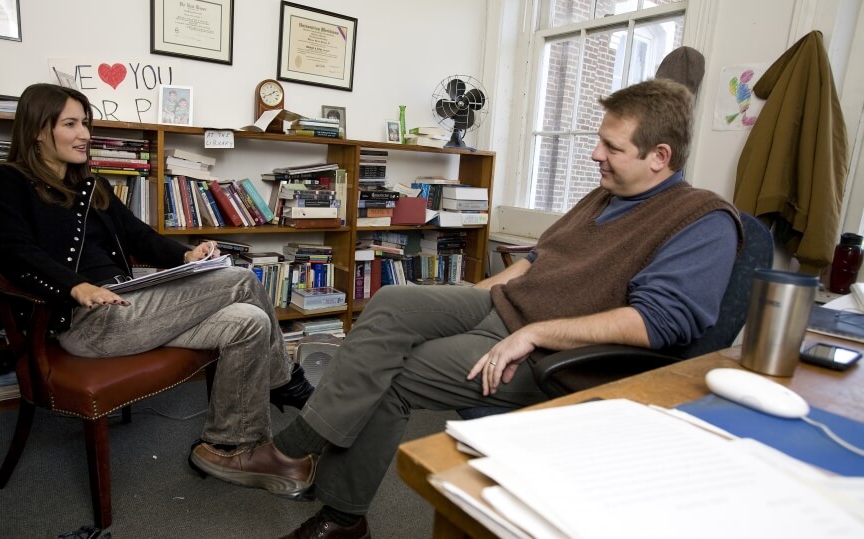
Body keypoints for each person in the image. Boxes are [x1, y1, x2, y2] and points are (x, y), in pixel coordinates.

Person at [268, 78, 743, 538]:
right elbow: (539, 261)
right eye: (600, 141)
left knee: (395, 374)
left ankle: (341, 514)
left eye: (612, 147)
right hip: (505, 308)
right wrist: (469, 297)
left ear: (660, 157)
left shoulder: (702, 221)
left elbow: (658, 323)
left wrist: (535, 335)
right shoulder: (605, 195)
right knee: (392, 302)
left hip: (547, 354)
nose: (596, 154)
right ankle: (301, 450)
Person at [0, 83, 316, 501]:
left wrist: (186, 254)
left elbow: (139, 236)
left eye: (85, 122)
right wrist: (76, 286)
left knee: (251, 321)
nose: (84, 133)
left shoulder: (91, 186)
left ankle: (229, 446)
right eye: (70, 123)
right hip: (87, 322)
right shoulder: (5, 180)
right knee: (242, 279)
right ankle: (284, 382)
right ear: (36, 131)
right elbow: (11, 251)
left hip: (134, 305)